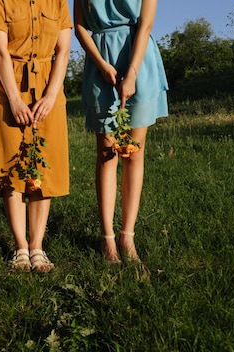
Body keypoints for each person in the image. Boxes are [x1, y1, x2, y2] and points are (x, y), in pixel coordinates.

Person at [73, 0, 169, 263]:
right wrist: (102, 65)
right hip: (100, 58)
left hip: (138, 57)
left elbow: (146, 23)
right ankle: (107, 239)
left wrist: (132, 74)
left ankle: (127, 235)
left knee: (134, 154)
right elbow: (80, 27)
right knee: (107, 154)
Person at [0, 0, 72, 273]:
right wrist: (13, 99)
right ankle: (21, 246)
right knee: (12, 166)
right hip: (11, 86)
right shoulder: (0, 2)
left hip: (49, 87)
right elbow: (0, 51)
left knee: (42, 168)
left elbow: (64, 51)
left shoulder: (58, 2)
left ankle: (38, 246)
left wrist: (51, 96)